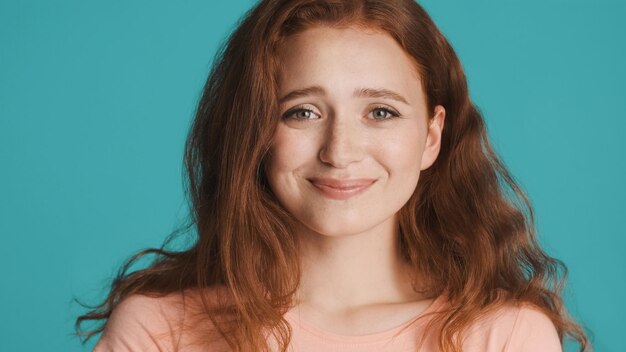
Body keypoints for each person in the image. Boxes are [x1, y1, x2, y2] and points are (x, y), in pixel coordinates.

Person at [76, 0, 589, 351]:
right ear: (255, 128)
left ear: (432, 136)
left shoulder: (504, 336)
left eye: (381, 112)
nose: (339, 151)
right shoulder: (160, 331)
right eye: (301, 112)